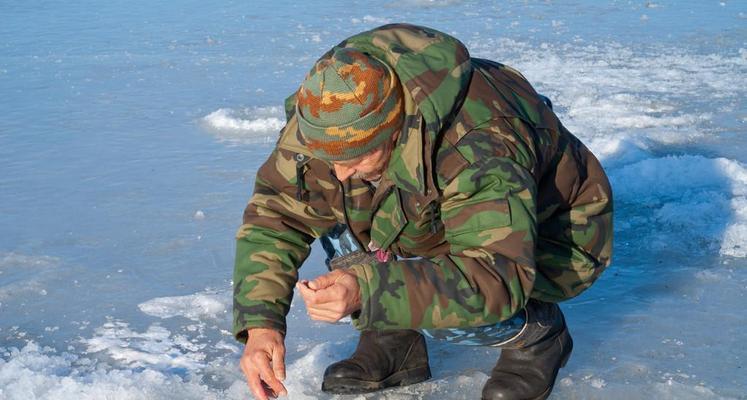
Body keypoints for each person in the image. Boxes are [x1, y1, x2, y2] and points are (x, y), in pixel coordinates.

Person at [233, 23, 613, 400]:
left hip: (549, 242)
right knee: (325, 193)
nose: (340, 172)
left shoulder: (479, 144)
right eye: (330, 158)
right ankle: (395, 344)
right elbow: (276, 213)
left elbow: (494, 276)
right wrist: (261, 324)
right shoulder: (329, 110)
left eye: (357, 157)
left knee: (436, 304)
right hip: (425, 214)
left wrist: (370, 290)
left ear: (392, 129)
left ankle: (537, 337)